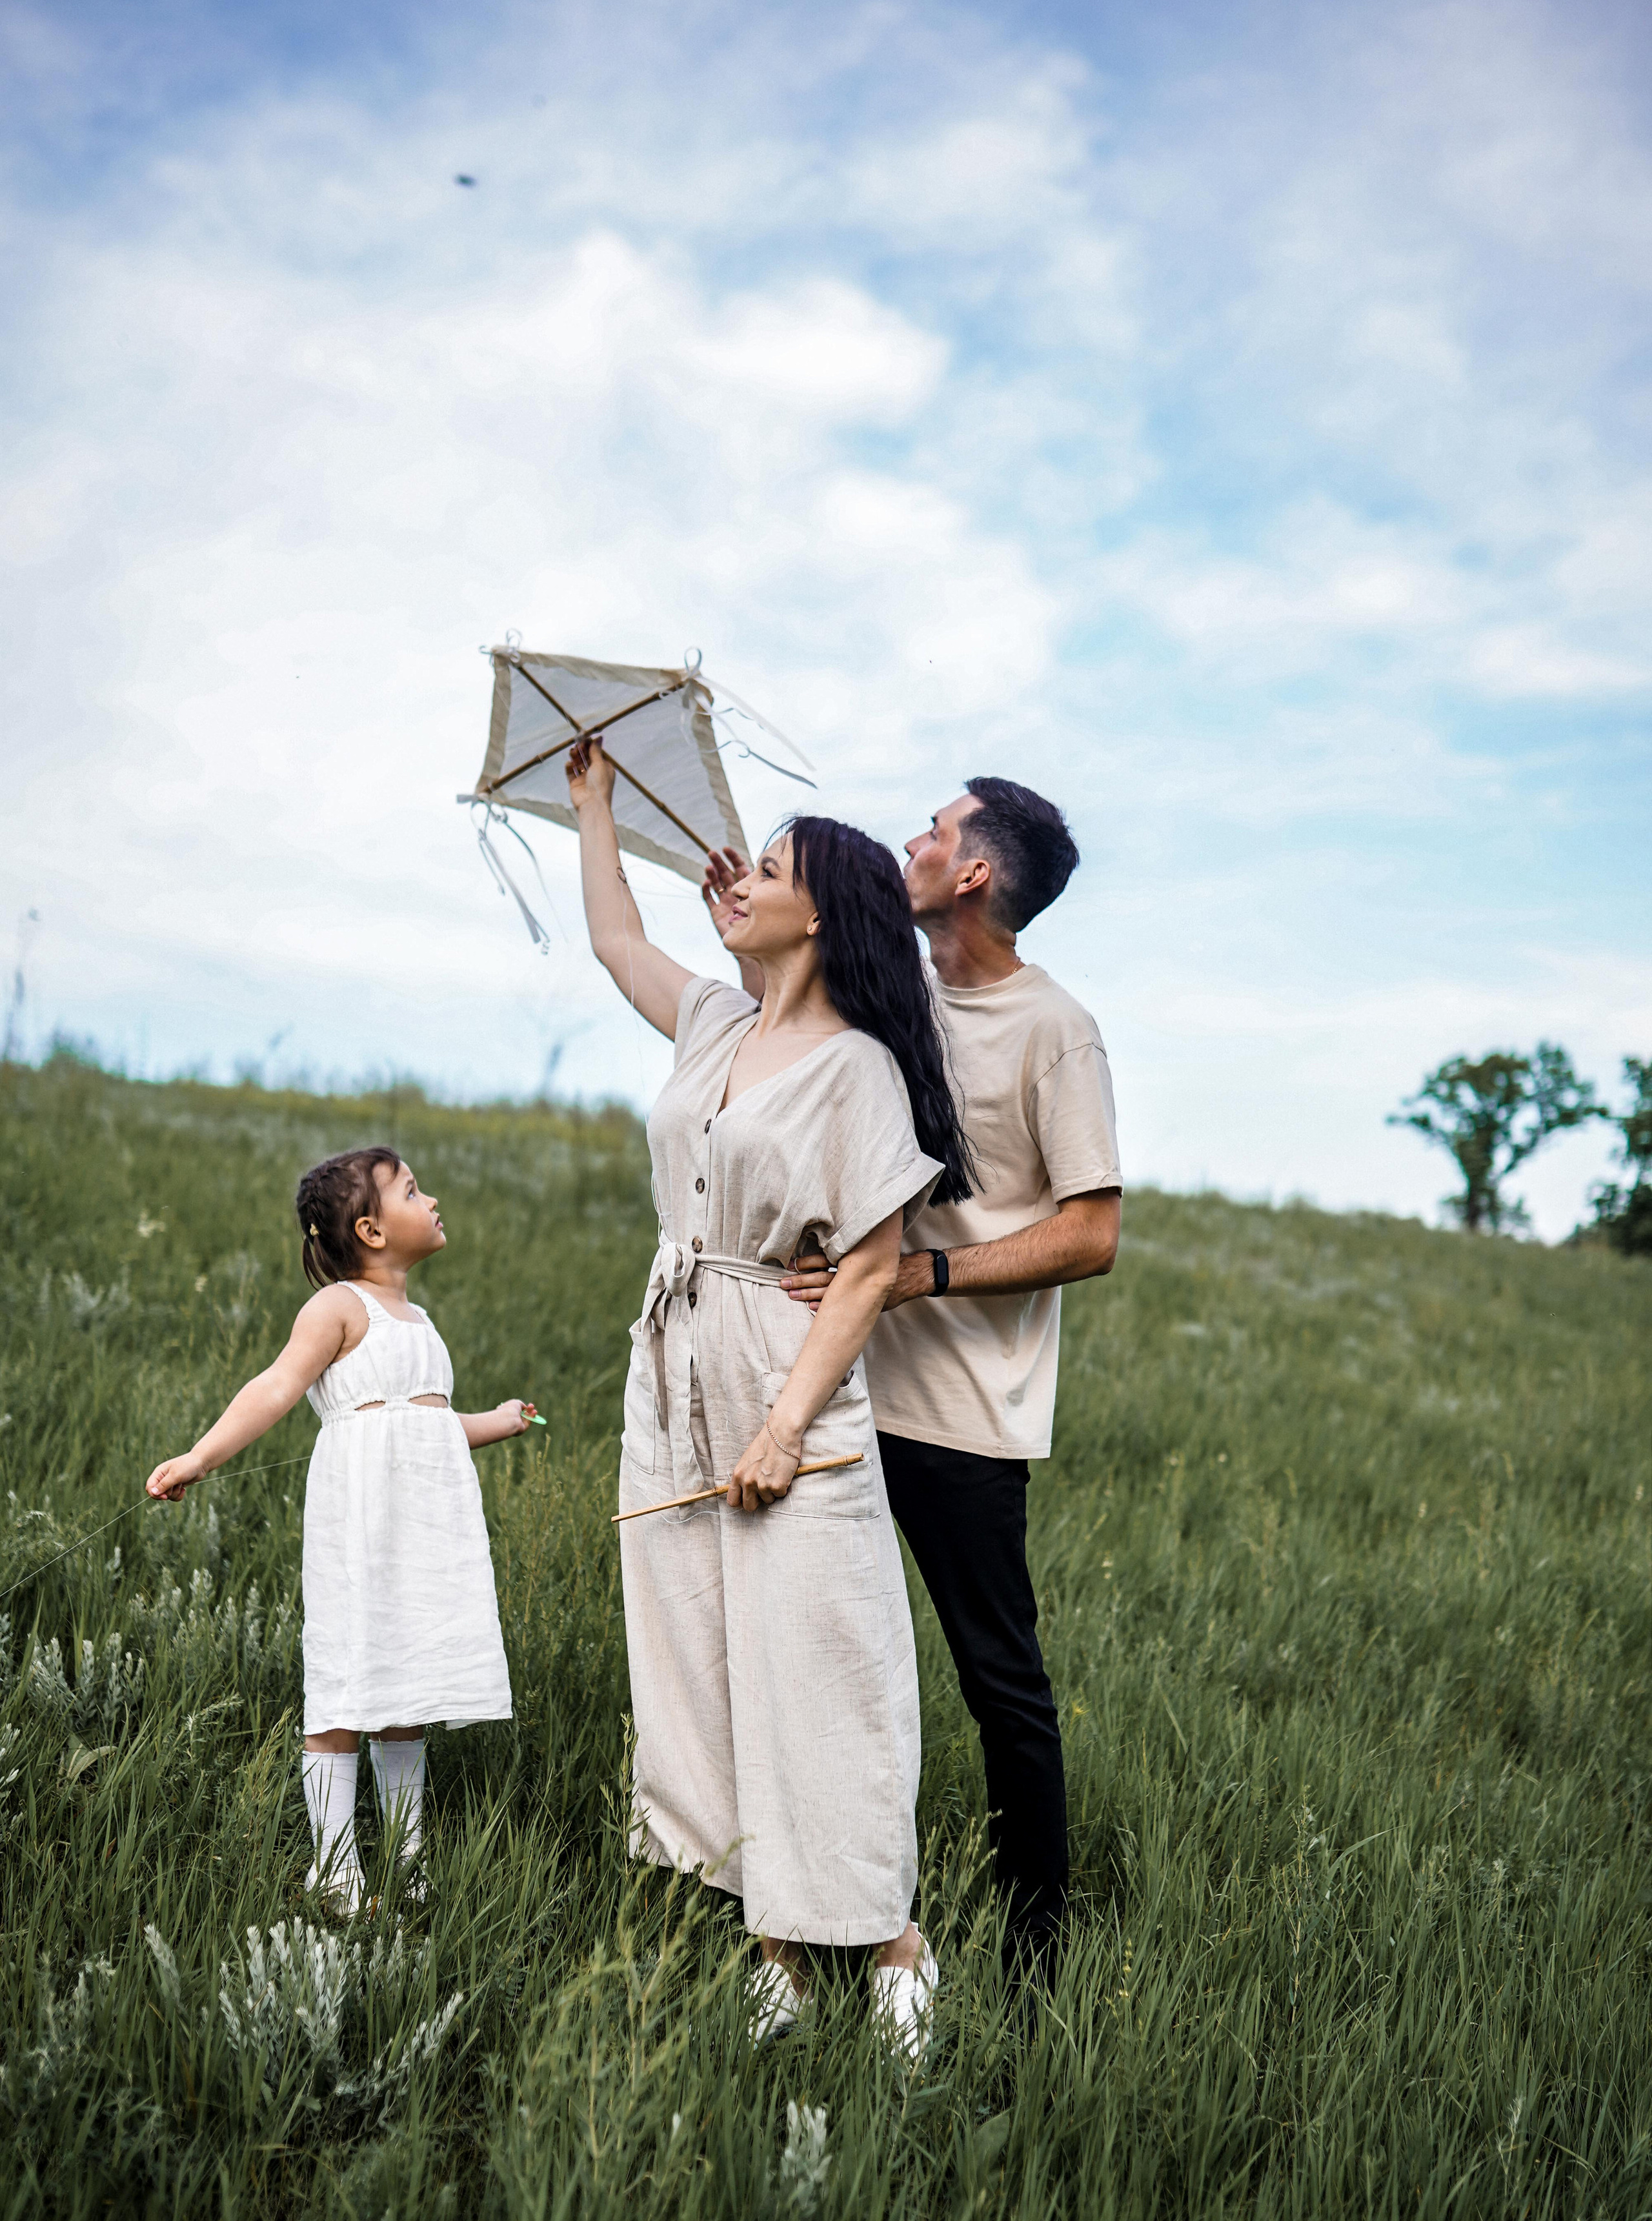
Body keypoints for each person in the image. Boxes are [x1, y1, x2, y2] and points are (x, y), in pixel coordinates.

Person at [565, 733, 973, 2054]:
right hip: (676, 1349)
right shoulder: (716, 1020)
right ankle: (773, 1941)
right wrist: (596, 810)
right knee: (695, 1644)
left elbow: (866, 1269)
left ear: (823, 911)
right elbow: (619, 947)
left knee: (822, 1653)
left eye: (769, 871)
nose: (737, 878)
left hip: (778, 1366)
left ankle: (889, 1937)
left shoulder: (855, 1065)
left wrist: (785, 1426)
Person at [703, 777, 1120, 1973]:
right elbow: (790, 1059)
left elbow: (1091, 1233)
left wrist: (920, 1279)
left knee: (1000, 1683)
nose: (912, 844)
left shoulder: (1056, 1030)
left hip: (960, 1413)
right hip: (829, 1384)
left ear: (976, 873)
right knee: (813, 1651)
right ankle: (812, 1910)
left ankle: (1034, 1953)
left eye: (936, 832)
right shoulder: (901, 994)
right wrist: (743, 928)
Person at [145, 1147, 535, 1913]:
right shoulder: (339, 1309)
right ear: (371, 1229)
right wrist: (200, 1455)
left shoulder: (419, 1320)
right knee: (346, 1679)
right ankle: (333, 1868)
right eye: (413, 1191)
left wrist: (497, 1420)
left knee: (407, 1684)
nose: (432, 1199)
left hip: (424, 1529)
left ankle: (407, 1857)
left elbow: (429, 1425)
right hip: (361, 1525)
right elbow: (277, 1386)